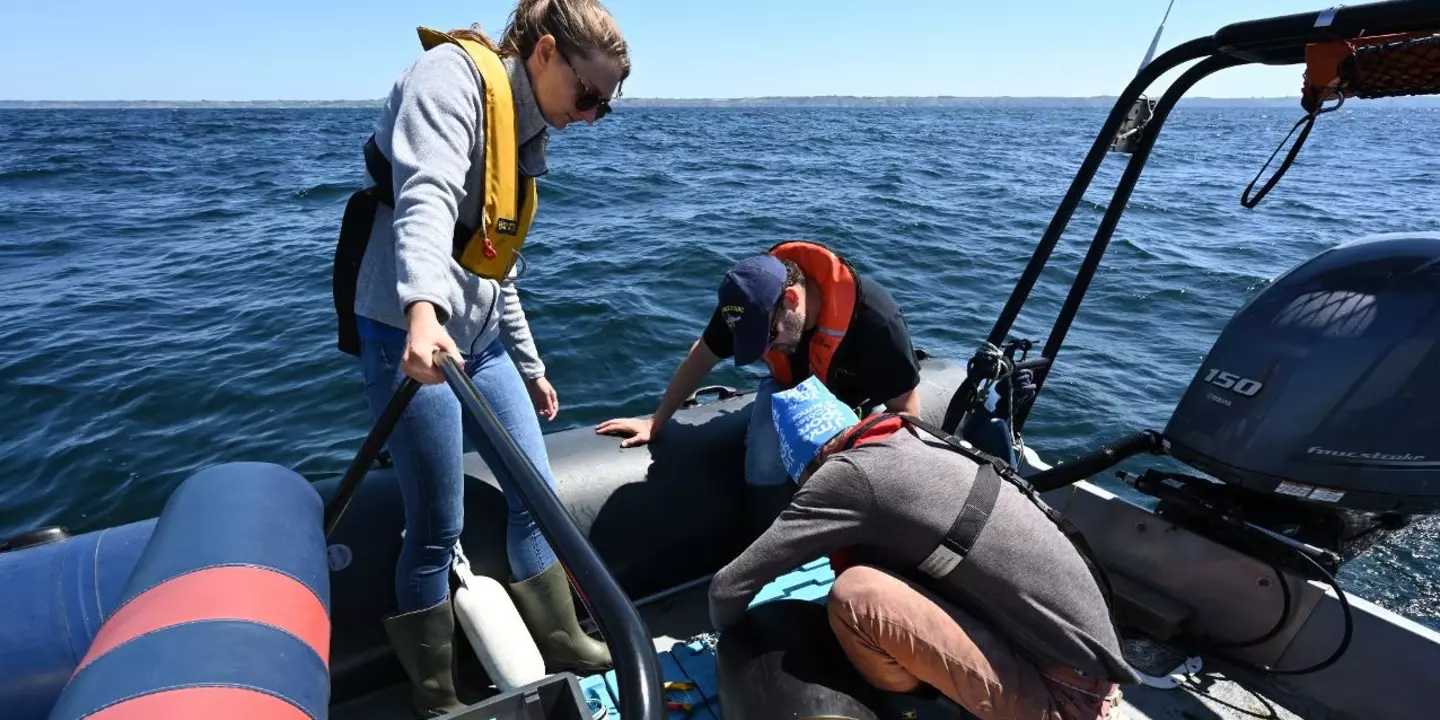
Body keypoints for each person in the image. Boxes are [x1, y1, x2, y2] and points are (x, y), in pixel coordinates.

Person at [329, 1, 627, 715]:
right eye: (588, 96)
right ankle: (434, 691)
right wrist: (423, 313)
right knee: (437, 525)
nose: (590, 116)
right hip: (413, 333)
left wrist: (529, 363)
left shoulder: (523, 132)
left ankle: (561, 638)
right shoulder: (450, 79)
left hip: (480, 337)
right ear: (546, 52)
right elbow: (426, 197)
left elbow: (497, 265)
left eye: (605, 109)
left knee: (538, 496)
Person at [707, 377, 1140, 720]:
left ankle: (920, 711)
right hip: (1082, 666)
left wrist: (732, 639)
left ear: (809, 465)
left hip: (1063, 699)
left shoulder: (843, 476)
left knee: (856, 597)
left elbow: (730, 586)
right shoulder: (912, 440)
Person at [595, 240, 924, 532]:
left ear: (792, 300)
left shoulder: (878, 321)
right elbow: (702, 355)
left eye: (768, 338)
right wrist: (657, 420)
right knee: (764, 452)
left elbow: (907, 413)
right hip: (790, 388)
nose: (765, 351)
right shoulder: (748, 306)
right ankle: (769, 541)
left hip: (859, 408)